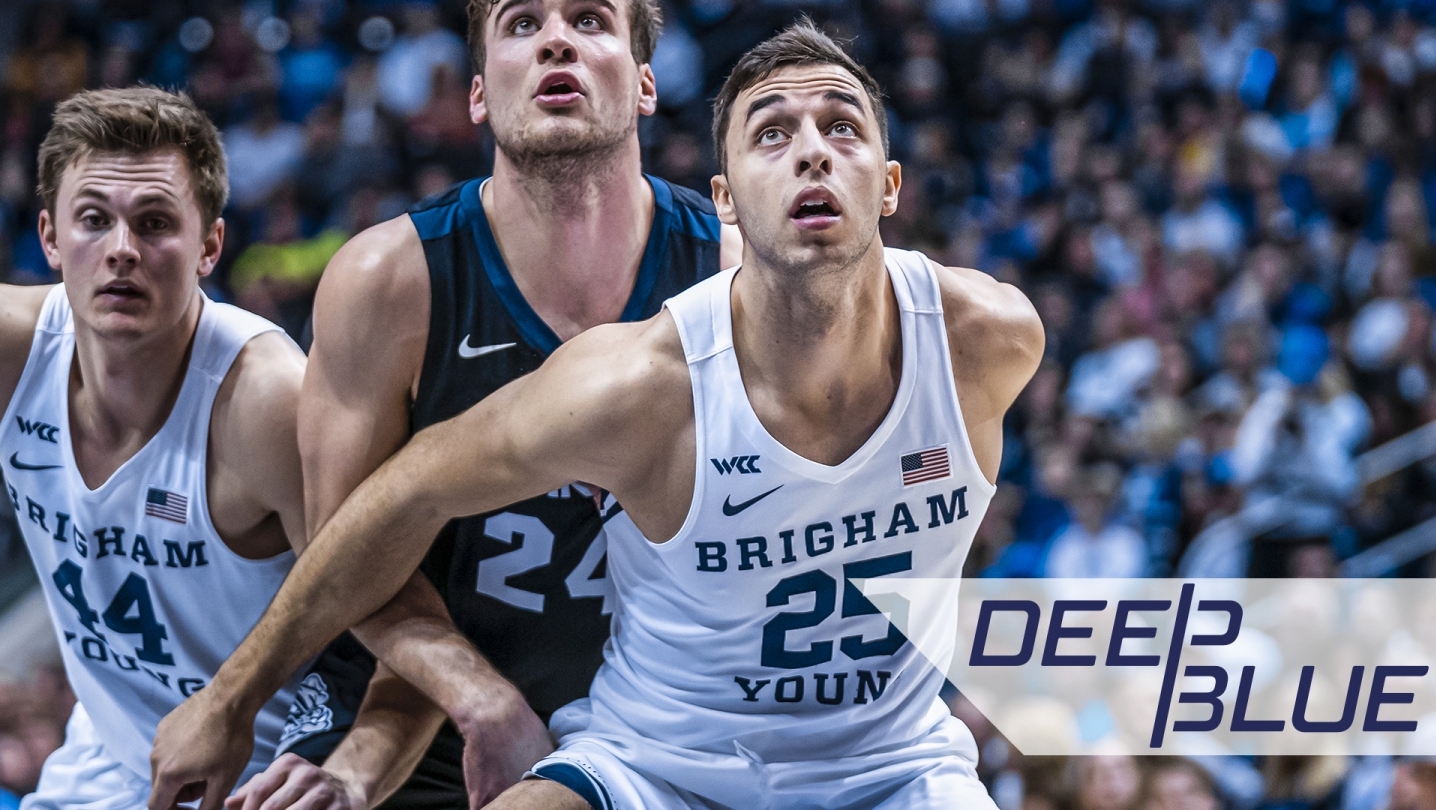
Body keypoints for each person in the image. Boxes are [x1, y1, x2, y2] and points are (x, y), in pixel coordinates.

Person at [157, 19, 1041, 809]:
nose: (811, 152)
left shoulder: (984, 339)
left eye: (590, 19)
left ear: (890, 184)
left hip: (876, 758)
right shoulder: (616, 366)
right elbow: (371, 519)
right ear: (731, 196)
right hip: (565, 724)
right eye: (772, 134)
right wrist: (243, 702)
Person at [152, 0, 740, 805]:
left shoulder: (736, 270)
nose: (557, 39)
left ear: (644, 84)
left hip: (666, 708)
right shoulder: (387, 280)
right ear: (476, 93)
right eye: (523, 23)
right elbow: (345, 549)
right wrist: (475, 697)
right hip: (418, 687)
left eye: (591, 20)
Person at [0, 87, 307, 808]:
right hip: (104, 765)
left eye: (155, 222)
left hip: (267, 780)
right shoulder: (13, 353)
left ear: (210, 246)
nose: (122, 251)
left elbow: (383, 606)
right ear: (49, 237)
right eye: (93, 220)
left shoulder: (267, 400)